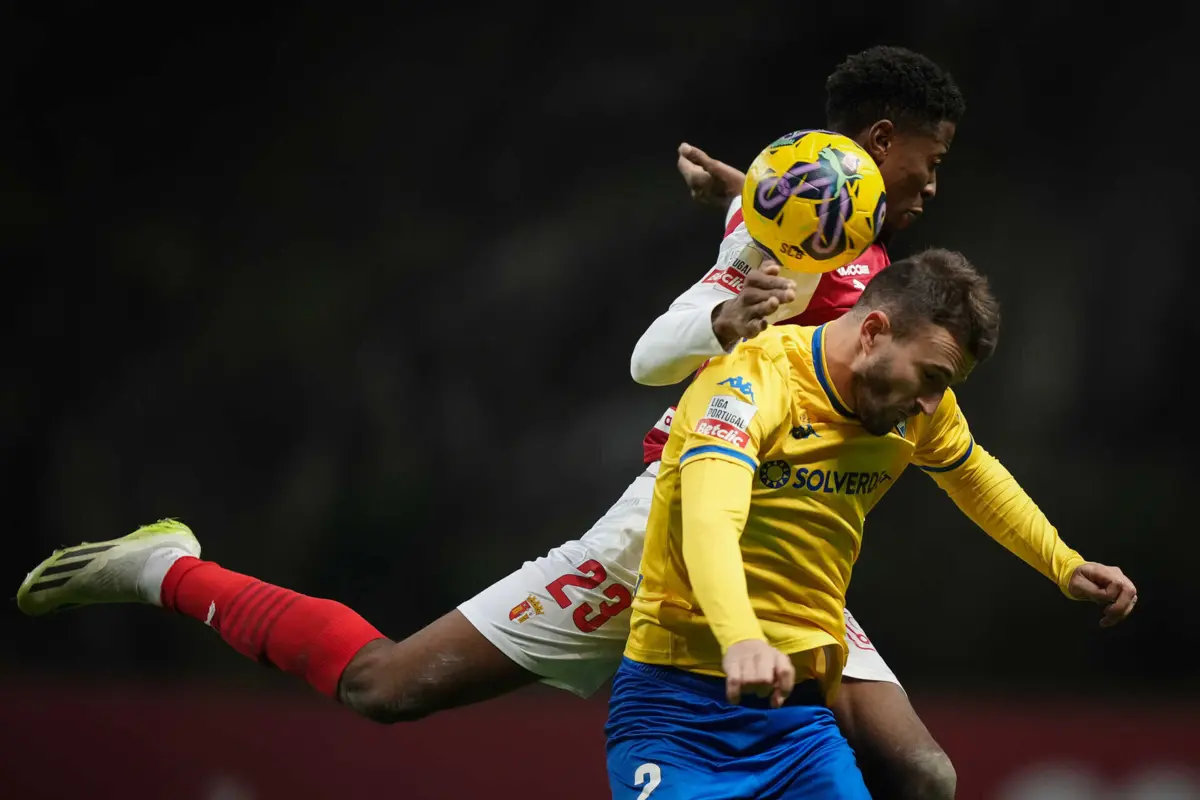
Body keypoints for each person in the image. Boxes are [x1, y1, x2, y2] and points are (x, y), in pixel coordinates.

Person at [19, 47, 967, 799]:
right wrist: (724, 306)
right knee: (384, 687)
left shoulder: (832, 234)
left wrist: (735, 192)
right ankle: (165, 567)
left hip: (784, 569)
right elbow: (653, 353)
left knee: (921, 774)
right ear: (882, 141)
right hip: (664, 541)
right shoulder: (787, 243)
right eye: (932, 161)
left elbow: (796, 229)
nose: (933, 184)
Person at [606, 248, 1138, 799]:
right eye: (930, 377)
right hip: (677, 709)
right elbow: (710, 519)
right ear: (873, 331)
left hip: (798, 719)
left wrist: (1065, 564)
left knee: (930, 776)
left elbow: (975, 476)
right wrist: (741, 639)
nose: (934, 404)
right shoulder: (751, 380)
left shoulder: (915, 407)